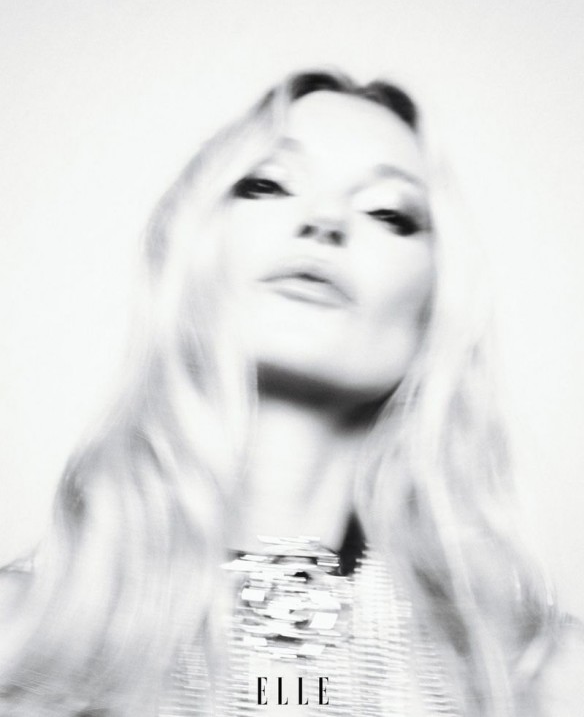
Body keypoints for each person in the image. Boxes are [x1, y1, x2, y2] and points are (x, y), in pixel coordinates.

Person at [0, 70, 581, 717]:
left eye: (389, 213)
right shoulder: (18, 641)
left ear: (435, 311)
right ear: (190, 257)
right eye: (268, 184)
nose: (325, 221)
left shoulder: (546, 677)